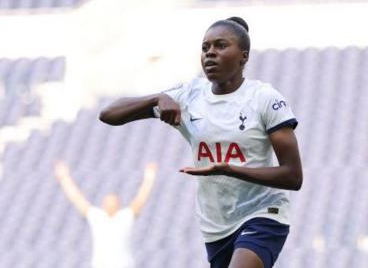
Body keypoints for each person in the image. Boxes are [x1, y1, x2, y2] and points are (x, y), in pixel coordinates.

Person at [99, 16, 303, 268]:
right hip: (216, 225)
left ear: (244, 56)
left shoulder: (264, 99)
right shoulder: (188, 97)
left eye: (220, 46)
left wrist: (230, 169)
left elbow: (293, 176)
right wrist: (157, 98)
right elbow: (108, 115)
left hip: (263, 213)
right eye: (205, 48)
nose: (210, 54)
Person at [54, 161, 157, 268]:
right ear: (103, 204)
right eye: (108, 201)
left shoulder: (125, 217)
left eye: (113, 201)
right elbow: (77, 198)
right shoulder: (97, 217)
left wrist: (149, 177)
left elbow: (141, 199)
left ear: (119, 204)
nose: (110, 204)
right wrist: (64, 178)